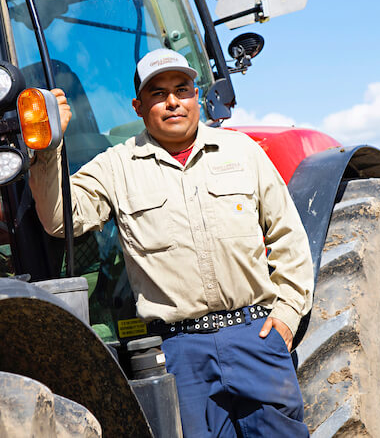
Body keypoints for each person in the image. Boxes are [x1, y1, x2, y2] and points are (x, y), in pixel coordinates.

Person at [29, 48, 313, 437]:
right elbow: (59, 219)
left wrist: (287, 315)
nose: (174, 101)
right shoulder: (116, 166)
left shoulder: (242, 151)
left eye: (183, 89)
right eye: (159, 94)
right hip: (181, 353)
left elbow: (288, 236)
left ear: (197, 95)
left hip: (254, 337)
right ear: (139, 106)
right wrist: (49, 148)